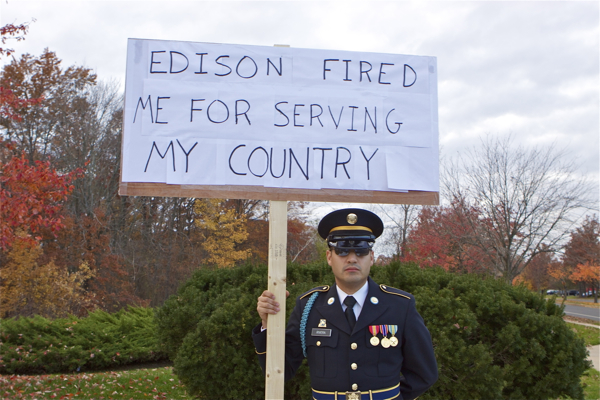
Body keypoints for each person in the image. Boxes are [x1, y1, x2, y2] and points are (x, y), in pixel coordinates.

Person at [253, 208, 438, 400]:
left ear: (372, 257)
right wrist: (268, 325)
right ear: (329, 257)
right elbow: (281, 370)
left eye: (361, 250)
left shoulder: (400, 306)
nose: (351, 258)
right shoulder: (308, 307)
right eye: (341, 250)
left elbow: (425, 373)